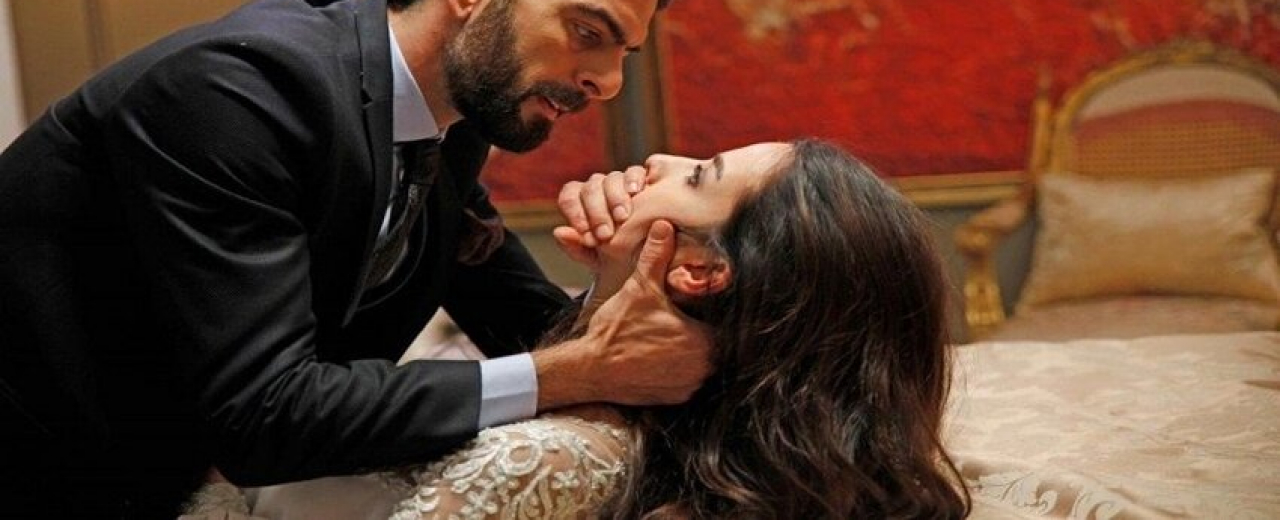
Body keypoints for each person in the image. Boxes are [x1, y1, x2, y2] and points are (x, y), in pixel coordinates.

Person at [0, 0, 709, 518]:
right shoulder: (239, 95)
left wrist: (620, 267)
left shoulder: (447, 123)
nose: (607, 82)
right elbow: (264, 415)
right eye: (588, 32)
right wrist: (576, 370)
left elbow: (529, 326)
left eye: (623, 52)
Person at [235, 139, 971, 519]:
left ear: (700, 271)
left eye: (698, 175)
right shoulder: (673, 421)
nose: (658, 159)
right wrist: (611, 290)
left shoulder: (548, 457)